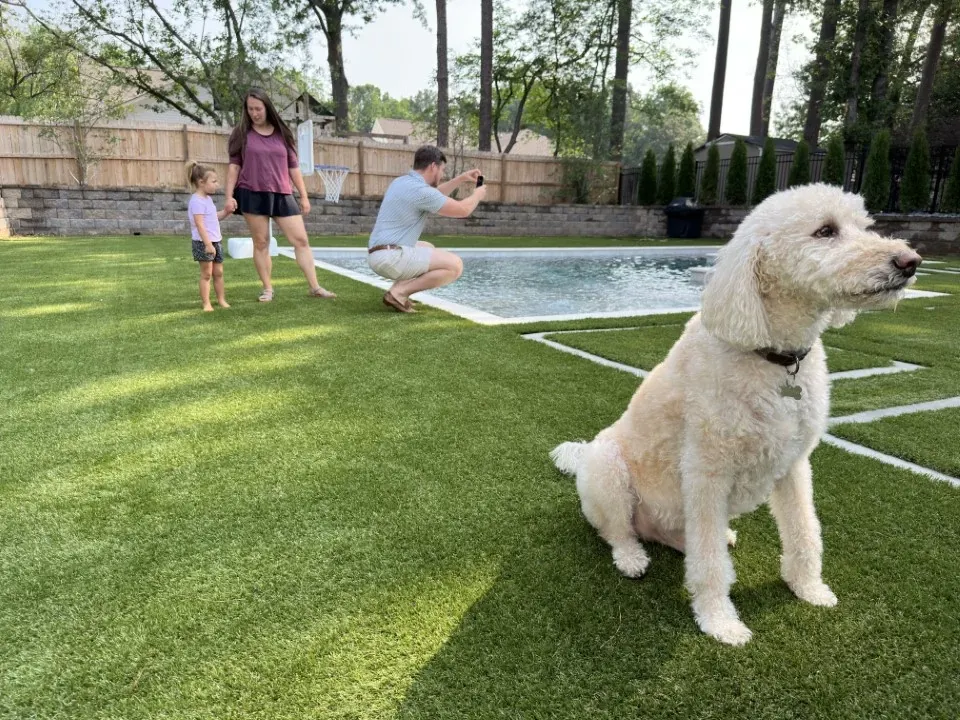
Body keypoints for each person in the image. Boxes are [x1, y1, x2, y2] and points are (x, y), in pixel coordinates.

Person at [224, 89, 336, 302]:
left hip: (283, 193)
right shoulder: (241, 134)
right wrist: (229, 197)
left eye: (258, 109)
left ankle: (315, 287)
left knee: (301, 240)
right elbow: (233, 168)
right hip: (251, 193)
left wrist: (303, 196)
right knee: (261, 242)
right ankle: (267, 289)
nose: (254, 113)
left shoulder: (282, 134)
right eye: (250, 109)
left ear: (267, 108)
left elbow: (293, 167)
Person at [368, 145, 486, 313]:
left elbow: (435, 195)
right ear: (433, 166)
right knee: (455, 265)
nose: (442, 174)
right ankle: (399, 293)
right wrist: (478, 194)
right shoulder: (420, 191)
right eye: (442, 170)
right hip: (391, 258)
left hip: (378, 254)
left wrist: (460, 179)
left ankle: (397, 291)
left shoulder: (401, 182)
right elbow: (463, 210)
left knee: (427, 247)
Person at [186, 161, 231, 312]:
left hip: (215, 241)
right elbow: (200, 225)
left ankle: (221, 300)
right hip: (203, 243)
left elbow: (213, 217)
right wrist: (208, 244)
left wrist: (226, 212)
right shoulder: (197, 202)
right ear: (201, 182)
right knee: (206, 274)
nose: (217, 184)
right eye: (214, 181)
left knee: (218, 273)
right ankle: (206, 303)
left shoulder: (207, 199)